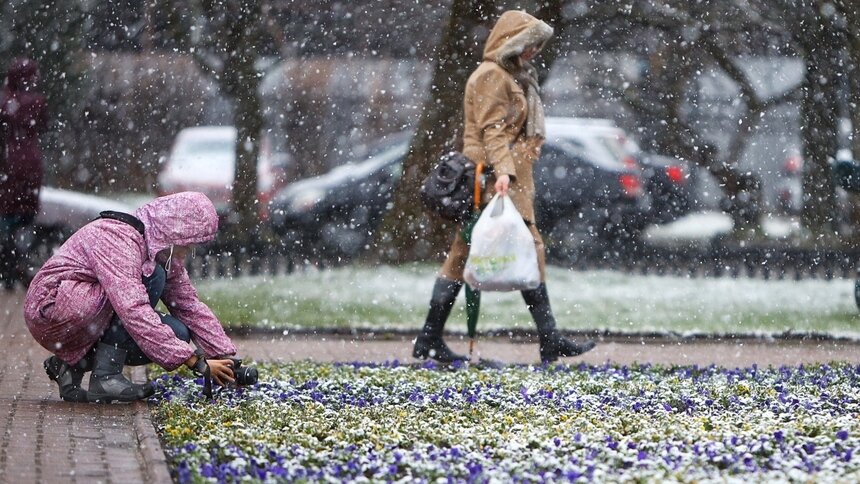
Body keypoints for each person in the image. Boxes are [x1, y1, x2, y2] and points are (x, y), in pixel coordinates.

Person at [413, 10, 596, 364]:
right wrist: (504, 174)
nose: (533, 52)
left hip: (507, 177)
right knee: (522, 249)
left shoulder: (516, 77)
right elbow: (492, 131)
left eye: (537, 46)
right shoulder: (491, 76)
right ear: (511, 43)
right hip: (493, 179)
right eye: (529, 44)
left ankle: (430, 338)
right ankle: (549, 337)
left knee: (464, 256)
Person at [24, 191, 239, 403]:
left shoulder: (159, 250)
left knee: (178, 333)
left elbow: (188, 306)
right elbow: (132, 308)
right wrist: (195, 362)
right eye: (187, 245)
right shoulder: (120, 238)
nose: (186, 252)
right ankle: (106, 377)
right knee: (152, 277)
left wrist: (225, 357)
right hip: (50, 308)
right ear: (174, 232)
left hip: (82, 310)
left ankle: (69, 366)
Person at [0, 58, 49, 291]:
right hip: (32, 164)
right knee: (24, 216)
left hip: (8, 164)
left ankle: (11, 266)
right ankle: (19, 262)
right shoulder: (37, 102)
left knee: (7, 217)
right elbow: (43, 126)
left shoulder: (5, 101)